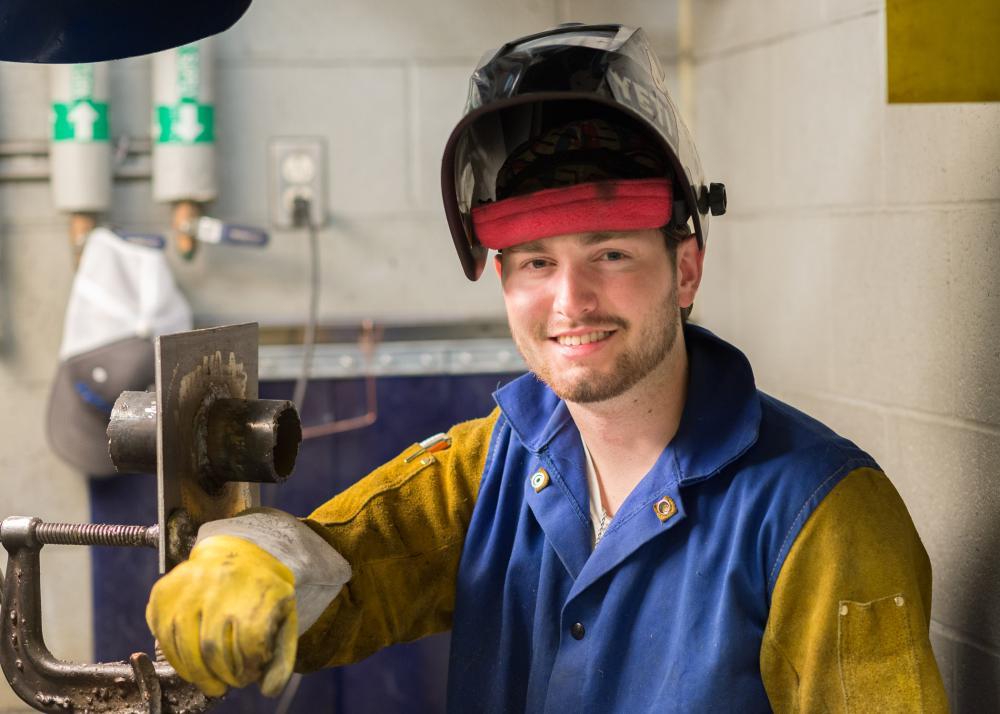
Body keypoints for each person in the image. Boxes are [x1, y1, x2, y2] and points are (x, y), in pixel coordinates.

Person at [146, 23, 948, 712]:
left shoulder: (824, 515)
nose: (571, 300)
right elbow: (347, 572)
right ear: (503, 283)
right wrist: (251, 556)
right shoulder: (495, 463)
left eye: (610, 253)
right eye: (534, 262)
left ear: (687, 270)